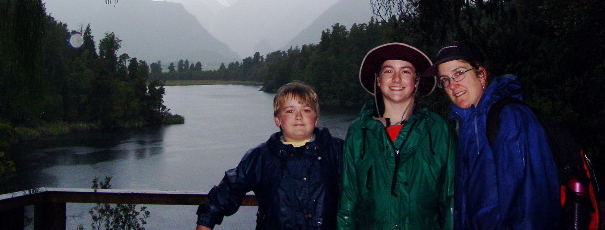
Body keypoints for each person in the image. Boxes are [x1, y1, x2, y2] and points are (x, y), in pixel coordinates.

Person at [431, 39, 561, 229]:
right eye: (445, 80)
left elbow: (531, 204)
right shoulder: (467, 127)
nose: (452, 85)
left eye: (459, 73)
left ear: (481, 75)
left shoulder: (510, 117)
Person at [195, 81, 343, 230]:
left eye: (306, 110)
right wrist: (206, 222)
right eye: (290, 111)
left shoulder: (338, 152)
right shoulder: (260, 157)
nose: (298, 116)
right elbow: (226, 193)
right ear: (277, 120)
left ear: (316, 119)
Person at [338, 43, 456, 230]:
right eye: (388, 71)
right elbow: (348, 202)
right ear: (378, 80)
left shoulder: (437, 129)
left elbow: (451, 198)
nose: (396, 79)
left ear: (416, 81)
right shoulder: (359, 132)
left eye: (406, 72)